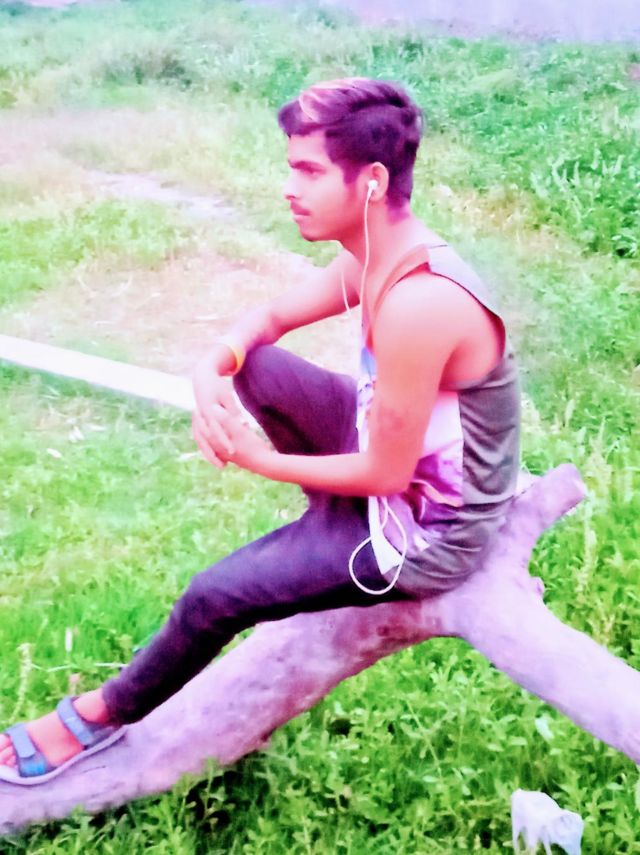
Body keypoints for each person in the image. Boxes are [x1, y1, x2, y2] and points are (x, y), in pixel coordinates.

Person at [0, 77, 519, 785]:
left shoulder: (421, 301)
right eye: (290, 168)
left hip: (428, 530)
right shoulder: (376, 253)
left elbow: (385, 474)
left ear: (370, 182)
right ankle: (328, 521)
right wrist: (212, 365)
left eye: (308, 171)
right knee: (263, 366)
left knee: (214, 595)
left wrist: (251, 456)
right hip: (390, 458)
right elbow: (268, 322)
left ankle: (93, 720)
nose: (288, 189)